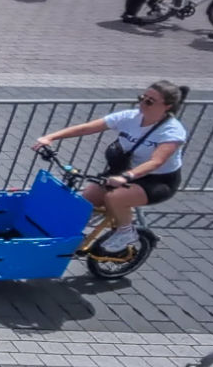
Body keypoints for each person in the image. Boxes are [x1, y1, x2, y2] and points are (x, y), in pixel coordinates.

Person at [33, 82, 190, 253]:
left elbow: (156, 162)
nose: (142, 103)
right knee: (85, 201)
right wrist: (50, 137)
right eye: (142, 97)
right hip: (122, 172)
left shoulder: (172, 131)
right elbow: (87, 128)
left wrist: (126, 177)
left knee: (115, 197)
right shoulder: (130, 117)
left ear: (167, 106)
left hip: (157, 180)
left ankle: (126, 232)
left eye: (150, 101)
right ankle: (69, 239)